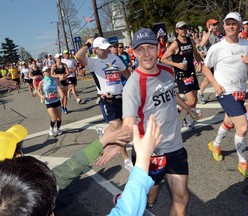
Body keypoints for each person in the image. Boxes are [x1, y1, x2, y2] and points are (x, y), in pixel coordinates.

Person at [96, 28, 200, 215]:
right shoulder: (133, 86)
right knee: (148, 197)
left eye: (150, 47)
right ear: (134, 53)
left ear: (158, 48)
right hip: (150, 152)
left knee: (182, 197)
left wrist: (187, 108)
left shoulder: (168, 70)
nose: (146, 54)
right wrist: (116, 141)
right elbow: (128, 124)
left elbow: (171, 93)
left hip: (175, 146)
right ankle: (128, 198)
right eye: (140, 49)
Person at [0, 115, 161, 216]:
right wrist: (143, 159)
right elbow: (126, 212)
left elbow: (70, 167)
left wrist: (103, 141)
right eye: (17, 151)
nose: (21, 154)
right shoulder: (33, 187)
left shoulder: (24, 190)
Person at [201, 12, 248, 178]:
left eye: (234, 23)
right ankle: (243, 163)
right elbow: (205, 67)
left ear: (240, 26)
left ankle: (215, 144)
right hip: (225, 92)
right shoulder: (217, 47)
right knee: (243, 127)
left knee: (229, 122)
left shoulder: (247, 45)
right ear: (224, 26)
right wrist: (216, 85)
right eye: (228, 23)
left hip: (241, 91)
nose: (230, 26)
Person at [75, 37, 133, 171]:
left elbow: (124, 72)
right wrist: (88, 43)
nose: (106, 50)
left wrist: (132, 84)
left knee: (124, 127)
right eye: (103, 49)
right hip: (107, 100)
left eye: (107, 47)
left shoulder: (115, 58)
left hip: (121, 97)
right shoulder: (93, 62)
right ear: (95, 50)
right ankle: (126, 160)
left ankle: (104, 132)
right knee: (118, 128)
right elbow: (78, 56)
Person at [161, 21, 203, 130]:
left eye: (185, 27)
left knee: (195, 101)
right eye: (181, 28)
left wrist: (199, 63)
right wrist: (177, 64)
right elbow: (163, 59)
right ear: (177, 31)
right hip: (181, 76)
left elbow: (196, 54)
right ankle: (176, 110)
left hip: (191, 73)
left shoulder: (191, 41)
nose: (183, 30)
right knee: (191, 101)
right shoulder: (175, 44)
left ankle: (187, 120)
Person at [197, 18, 220, 104]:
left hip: (216, 61)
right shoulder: (207, 35)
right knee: (207, 80)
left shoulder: (216, 36)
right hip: (208, 61)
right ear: (209, 26)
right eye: (214, 25)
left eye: (216, 24)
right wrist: (209, 32)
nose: (216, 26)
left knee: (218, 77)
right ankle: (200, 95)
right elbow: (202, 44)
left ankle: (219, 92)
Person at [36, 66, 64, 136]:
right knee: (54, 118)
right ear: (43, 73)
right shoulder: (42, 82)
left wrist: (61, 88)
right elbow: (38, 90)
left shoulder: (55, 79)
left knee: (59, 117)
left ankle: (58, 128)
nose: (47, 72)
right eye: (46, 71)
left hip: (57, 100)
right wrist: (41, 96)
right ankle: (51, 128)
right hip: (49, 102)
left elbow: (60, 86)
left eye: (48, 70)